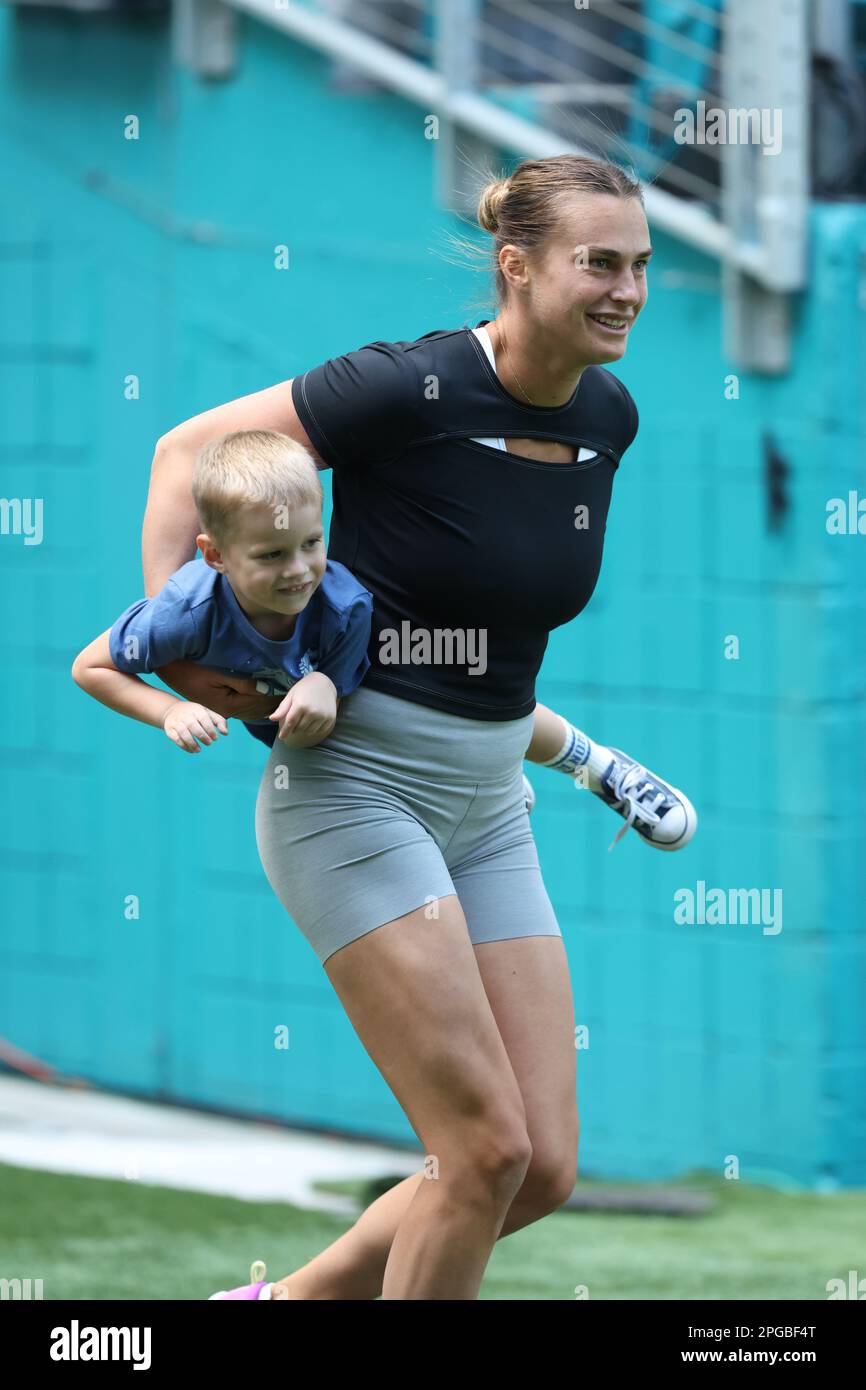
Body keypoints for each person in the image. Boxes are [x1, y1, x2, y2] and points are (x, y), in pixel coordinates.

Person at [140, 154, 697, 1301]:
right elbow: (185, 454)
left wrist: (563, 753)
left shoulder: (608, 415)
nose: (627, 290)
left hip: (489, 804)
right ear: (516, 268)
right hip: (353, 793)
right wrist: (195, 653)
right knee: (480, 1146)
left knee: (534, 1166)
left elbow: (489, 637)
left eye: (641, 266)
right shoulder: (405, 387)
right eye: (600, 263)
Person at [70, 431, 373, 751]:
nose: (298, 569)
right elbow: (90, 667)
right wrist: (169, 710)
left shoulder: (347, 609)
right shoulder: (186, 607)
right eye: (272, 554)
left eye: (311, 542)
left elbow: (314, 734)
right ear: (216, 556)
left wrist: (325, 684)